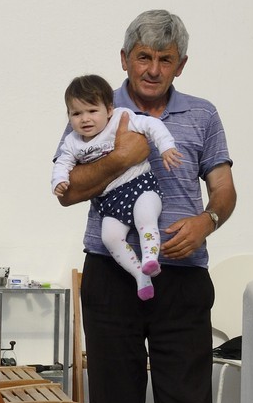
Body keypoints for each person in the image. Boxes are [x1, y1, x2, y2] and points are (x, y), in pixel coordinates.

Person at [55, 10, 250, 403]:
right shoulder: (94, 110)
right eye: (144, 57)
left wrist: (208, 221)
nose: (154, 68)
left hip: (183, 276)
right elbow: (67, 192)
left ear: (180, 65)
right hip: (112, 273)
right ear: (125, 60)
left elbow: (224, 187)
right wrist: (121, 157)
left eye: (166, 60)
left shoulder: (202, 115)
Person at [53, 74, 182, 300]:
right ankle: (141, 275)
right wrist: (59, 181)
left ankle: (151, 258)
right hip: (111, 200)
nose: (85, 119)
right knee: (110, 237)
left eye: (92, 111)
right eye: (76, 113)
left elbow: (151, 124)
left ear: (109, 109)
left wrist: (166, 147)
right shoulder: (73, 141)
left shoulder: (121, 118)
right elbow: (63, 162)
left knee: (145, 217)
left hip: (140, 186)